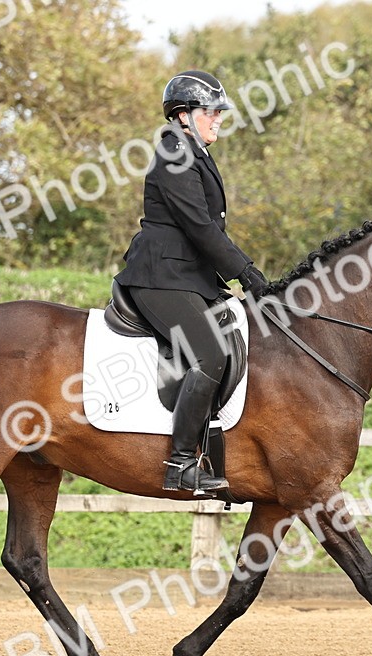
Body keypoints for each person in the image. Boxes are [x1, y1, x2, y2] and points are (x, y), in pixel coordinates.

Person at [114, 69, 269, 495]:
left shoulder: (194, 150)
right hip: (159, 275)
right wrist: (246, 271)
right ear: (183, 114)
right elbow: (200, 227)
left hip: (186, 275)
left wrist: (233, 276)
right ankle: (180, 463)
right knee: (210, 355)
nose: (219, 117)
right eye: (211, 110)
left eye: (220, 111)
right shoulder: (174, 151)